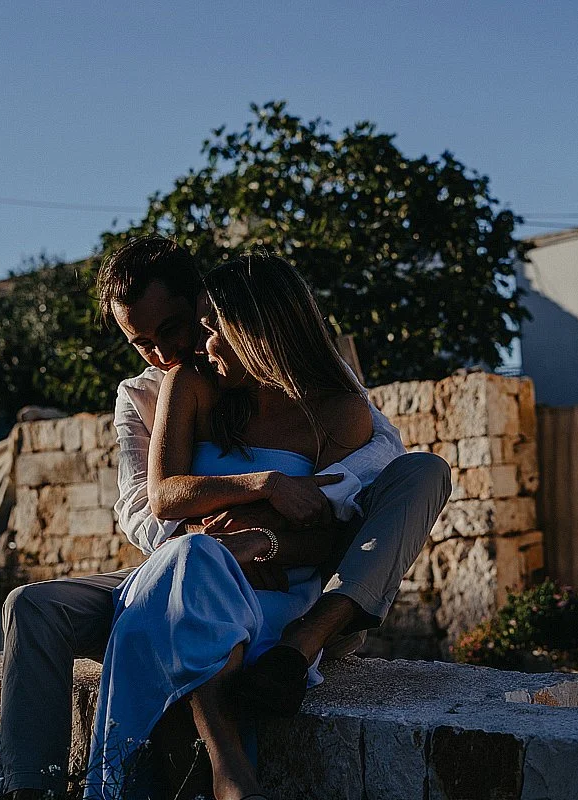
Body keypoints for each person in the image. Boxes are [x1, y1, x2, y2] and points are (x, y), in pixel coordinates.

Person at [0, 238, 450, 799]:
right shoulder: (154, 391)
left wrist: (262, 539)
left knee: (425, 472)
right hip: (181, 566)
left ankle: (264, 702)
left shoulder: (320, 394)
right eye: (141, 343)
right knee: (32, 605)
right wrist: (229, 528)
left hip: (275, 576)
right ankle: (27, 790)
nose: (163, 354)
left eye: (175, 328)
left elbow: (358, 480)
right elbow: (146, 506)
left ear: (211, 307)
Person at [88, 251, 384, 799]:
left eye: (211, 328)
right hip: (190, 580)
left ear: (260, 329)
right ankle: (232, 774)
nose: (203, 345)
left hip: (276, 594)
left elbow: (331, 529)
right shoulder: (189, 385)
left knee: (193, 585)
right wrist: (261, 490)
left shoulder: (341, 412)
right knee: (195, 561)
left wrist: (261, 542)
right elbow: (161, 498)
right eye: (142, 343)